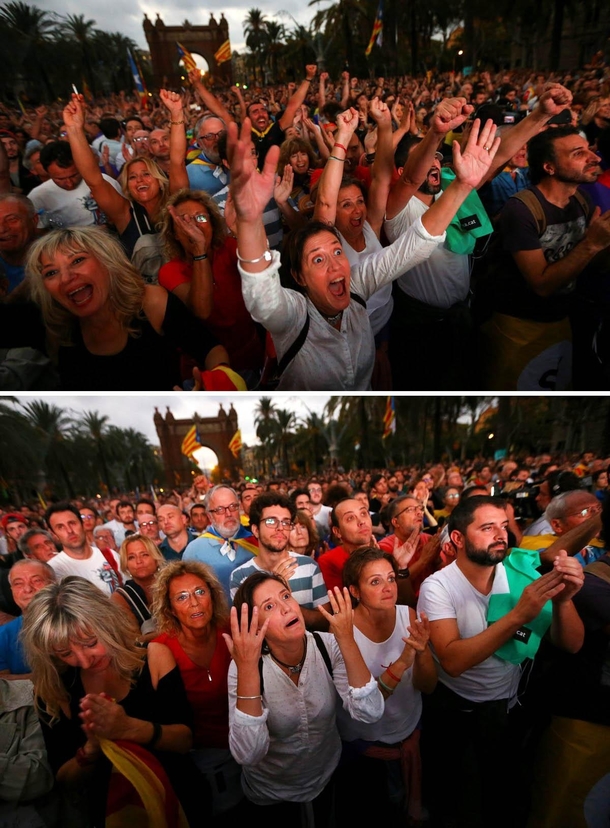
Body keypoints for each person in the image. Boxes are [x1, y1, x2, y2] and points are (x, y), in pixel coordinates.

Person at [228, 112, 501, 390]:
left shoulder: (357, 284)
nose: (336, 266)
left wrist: (463, 185)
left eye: (337, 253)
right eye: (318, 259)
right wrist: (250, 222)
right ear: (299, 277)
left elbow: (413, 245)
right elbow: (263, 297)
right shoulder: (292, 316)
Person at [417, 495, 585, 828]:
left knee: (501, 796)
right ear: (458, 539)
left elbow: (571, 644)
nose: (501, 534)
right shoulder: (438, 587)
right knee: (455, 802)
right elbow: (451, 660)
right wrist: (518, 615)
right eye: (487, 527)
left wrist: (565, 600)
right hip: (454, 712)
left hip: (505, 709)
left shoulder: (520, 574)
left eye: (504, 526)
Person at [21, 577, 198, 826]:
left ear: (108, 622)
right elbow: (64, 779)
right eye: (65, 653)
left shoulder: (154, 657)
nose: (83, 661)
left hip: (175, 799)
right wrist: (91, 750)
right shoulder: (53, 689)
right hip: (109, 813)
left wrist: (127, 728)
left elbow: (185, 741)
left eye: (90, 643)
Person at [225, 571, 384, 816]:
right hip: (271, 794)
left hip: (326, 778)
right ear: (255, 627)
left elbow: (371, 712)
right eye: (269, 606)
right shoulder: (245, 665)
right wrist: (247, 670)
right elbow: (249, 753)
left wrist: (346, 638)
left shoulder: (327, 645)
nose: (286, 608)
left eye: (286, 596)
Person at [24, 225, 231, 391]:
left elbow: (212, 350)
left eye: (77, 260)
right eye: (51, 273)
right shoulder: (55, 329)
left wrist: (214, 386)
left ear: (107, 262)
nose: (67, 278)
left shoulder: (151, 303)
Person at [335, 547, 437, 823]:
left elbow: (427, 687)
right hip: (367, 744)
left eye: (391, 578)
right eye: (375, 581)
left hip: (409, 731)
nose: (388, 587)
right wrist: (403, 661)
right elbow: (367, 706)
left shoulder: (409, 616)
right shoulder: (343, 633)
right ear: (355, 591)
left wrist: (423, 651)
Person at [149, 560, 242, 817]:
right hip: (200, 760)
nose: (194, 603)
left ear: (212, 595)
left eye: (200, 592)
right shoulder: (161, 649)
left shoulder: (231, 631)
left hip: (248, 745)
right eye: (182, 597)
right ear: (170, 609)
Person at [62, 92, 179, 282]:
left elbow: (178, 162)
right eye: (132, 177)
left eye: (146, 174)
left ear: (159, 179)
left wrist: (177, 115)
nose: (140, 180)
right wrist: (74, 129)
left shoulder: (176, 201)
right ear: (127, 185)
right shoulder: (123, 212)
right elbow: (94, 179)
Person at [158, 188, 264, 377]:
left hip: (253, 358)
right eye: (184, 220)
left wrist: (242, 232)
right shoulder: (169, 271)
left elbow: (265, 272)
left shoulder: (229, 247)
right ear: (174, 233)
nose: (194, 226)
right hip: (205, 372)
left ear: (213, 225)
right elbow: (201, 311)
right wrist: (200, 251)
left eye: (200, 218)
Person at [229, 492, 328, 629]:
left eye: (286, 522)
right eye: (271, 521)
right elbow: (247, 629)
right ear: (256, 530)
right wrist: (274, 586)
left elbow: (325, 621)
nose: (280, 528)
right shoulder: (240, 576)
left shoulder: (308, 566)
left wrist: (285, 601)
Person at [183, 485, 258, 600]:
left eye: (233, 506)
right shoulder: (194, 550)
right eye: (219, 510)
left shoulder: (256, 541)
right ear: (209, 515)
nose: (228, 514)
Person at [44, 501, 124, 595]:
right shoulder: (53, 570)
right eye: (60, 527)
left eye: (72, 523)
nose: (69, 531)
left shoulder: (110, 555)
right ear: (54, 534)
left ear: (82, 524)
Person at [0, 559, 56, 679]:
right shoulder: (2, 636)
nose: (27, 589)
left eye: (36, 581)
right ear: (12, 590)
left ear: (54, 583)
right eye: (18, 583)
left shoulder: (79, 622)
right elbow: (3, 685)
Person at [111, 533, 165, 642]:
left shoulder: (172, 583)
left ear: (155, 558)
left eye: (144, 554)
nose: (139, 561)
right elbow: (133, 641)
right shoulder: (120, 598)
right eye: (131, 557)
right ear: (126, 564)